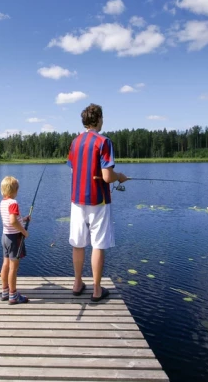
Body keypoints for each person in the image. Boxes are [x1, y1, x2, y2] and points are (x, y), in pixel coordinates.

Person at [67, 103, 127, 302]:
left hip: (77, 200)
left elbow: (74, 168)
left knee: (78, 243)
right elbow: (107, 176)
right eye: (102, 118)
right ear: (98, 119)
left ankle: (77, 284)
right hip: (98, 201)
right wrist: (120, 176)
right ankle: (96, 290)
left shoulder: (75, 142)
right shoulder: (104, 142)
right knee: (98, 244)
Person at [0, 176, 31, 305]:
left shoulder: (3, 202)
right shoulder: (13, 203)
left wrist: (23, 219)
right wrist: (24, 232)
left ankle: (5, 292)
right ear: (15, 191)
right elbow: (12, 221)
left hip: (5, 237)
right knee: (13, 268)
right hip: (14, 239)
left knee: (5, 264)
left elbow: (10, 219)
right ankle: (13, 295)